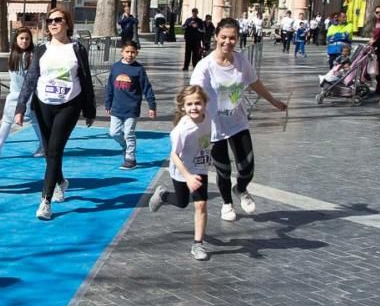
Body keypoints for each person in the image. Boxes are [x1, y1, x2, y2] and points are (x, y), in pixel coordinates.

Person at [191, 17, 287, 222]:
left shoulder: (241, 61)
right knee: (223, 169)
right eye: (223, 37)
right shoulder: (204, 66)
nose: (228, 42)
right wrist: (191, 121)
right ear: (216, 36)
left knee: (247, 168)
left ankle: (241, 189)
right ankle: (227, 204)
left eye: (232, 38)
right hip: (214, 126)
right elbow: (195, 93)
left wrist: (273, 101)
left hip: (238, 122)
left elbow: (254, 82)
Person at [15, 8, 96, 220]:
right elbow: (31, 78)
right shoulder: (41, 49)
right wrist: (21, 106)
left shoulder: (77, 48)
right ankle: (60, 181)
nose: (53, 24)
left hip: (69, 104)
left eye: (58, 20)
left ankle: (45, 201)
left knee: (54, 151)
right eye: (49, 20)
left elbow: (86, 78)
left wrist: (89, 110)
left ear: (67, 23)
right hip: (43, 105)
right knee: (50, 152)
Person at [148, 85, 213, 261]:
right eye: (189, 104)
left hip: (200, 168)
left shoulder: (209, 117)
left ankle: (198, 244)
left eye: (198, 103)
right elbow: (174, 156)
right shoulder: (181, 130)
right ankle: (163, 195)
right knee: (183, 202)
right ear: (183, 107)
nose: (194, 108)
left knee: (201, 205)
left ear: (205, 104)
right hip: (181, 170)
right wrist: (187, 176)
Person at [0, 28, 43, 159]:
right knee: (7, 120)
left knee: (34, 120)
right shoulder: (12, 55)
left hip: (29, 94)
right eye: (21, 38)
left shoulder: (33, 55)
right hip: (14, 93)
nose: (24, 41)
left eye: (27, 38)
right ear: (16, 39)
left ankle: (44, 145)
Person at [105, 40, 157, 169]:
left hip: (132, 108)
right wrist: (108, 103)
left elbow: (147, 88)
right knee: (114, 133)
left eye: (133, 52)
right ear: (122, 52)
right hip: (117, 107)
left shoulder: (138, 69)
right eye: (127, 52)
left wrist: (152, 105)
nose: (130, 55)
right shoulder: (116, 67)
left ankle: (130, 158)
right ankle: (125, 146)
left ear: (137, 53)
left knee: (129, 133)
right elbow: (110, 86)